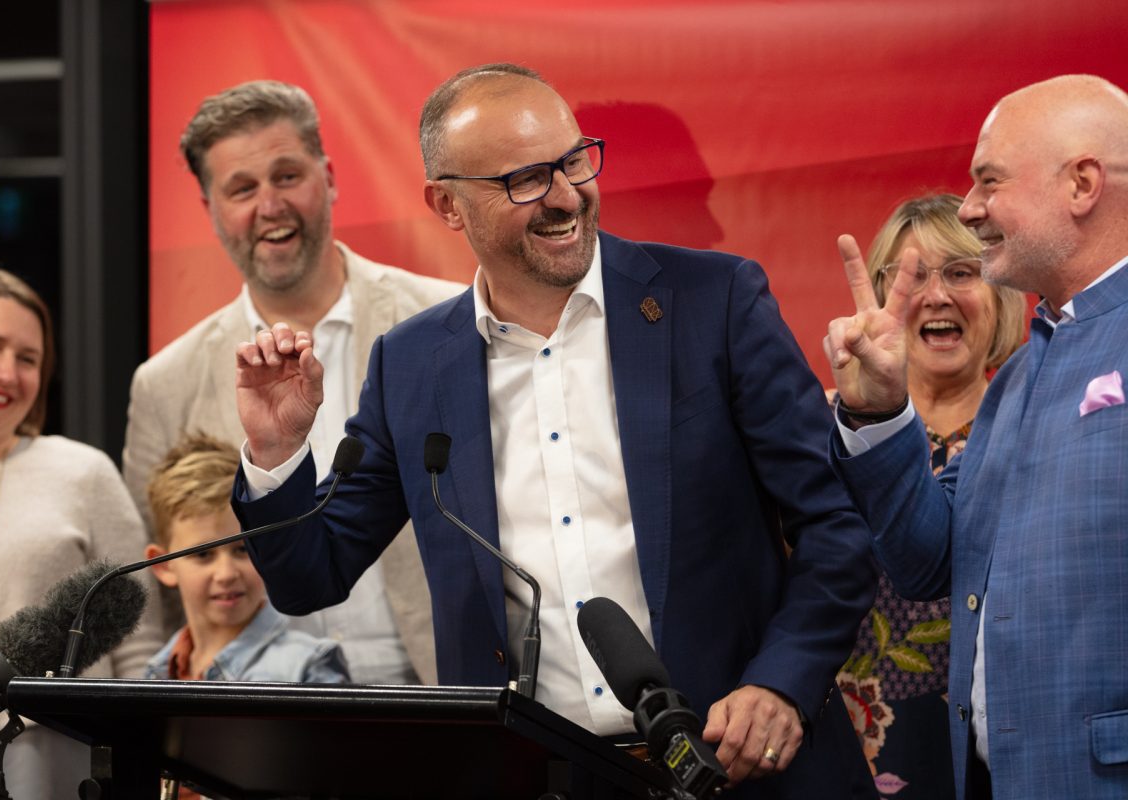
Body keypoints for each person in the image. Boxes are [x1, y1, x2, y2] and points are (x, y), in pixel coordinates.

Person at [232, 64, 878, 797]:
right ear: (446, 204)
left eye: (574, 160)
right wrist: (277, 455)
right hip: (541, 779)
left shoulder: (715, 302)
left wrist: (782, 685)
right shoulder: (411, 366)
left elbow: (836, 524)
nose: (568, 195)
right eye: (525, 179)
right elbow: (309, 574)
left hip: (745, 767)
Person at [824, 74, 1128, 799]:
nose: (972, 207)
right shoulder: (1021, 378)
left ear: (1082, 183)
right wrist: (881, 412)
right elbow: (932, 560)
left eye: (989, 182)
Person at [122, 80, 462, 685]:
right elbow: (152, 586)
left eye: (286, 176)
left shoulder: (447, 324)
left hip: (441, 691)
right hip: (253, 715)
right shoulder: (164, 384)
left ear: (328, 176)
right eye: (242, 189)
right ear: (210, 210)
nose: (270, 206)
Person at [0, 264, 163, 798]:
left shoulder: (81, 472)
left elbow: (141, 646)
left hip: (64, 763)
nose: (7, 373)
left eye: (28, 359)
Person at [826, 194, 1024, 798]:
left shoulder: (1034, 423)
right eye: (914, 278)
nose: (937, 296)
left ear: (1001, 294)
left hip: (998, 754)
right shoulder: (824, 433)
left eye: (961, 273)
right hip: (840, 748)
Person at [142, 434, 349, 683]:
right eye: (203, 554)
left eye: (243, 549)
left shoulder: (307, 665)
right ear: (163, 565)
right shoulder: (158, 671)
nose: (227, 574)